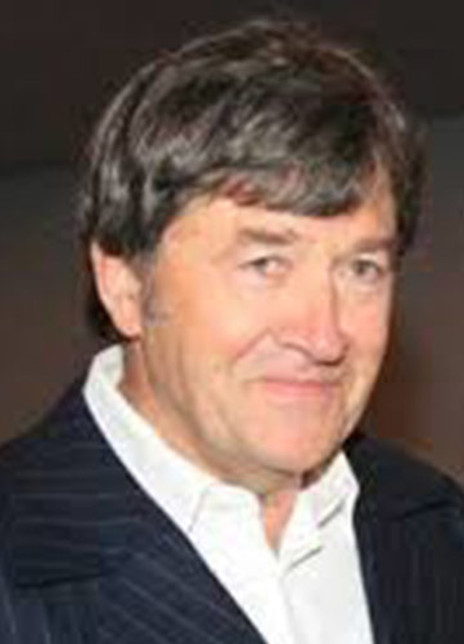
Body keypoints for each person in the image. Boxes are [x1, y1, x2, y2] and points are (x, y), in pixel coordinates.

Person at [1, 17, 463, 644]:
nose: (324, 338)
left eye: (361, 269)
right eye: (265, 263)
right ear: (126, 286)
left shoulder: (437, 523)